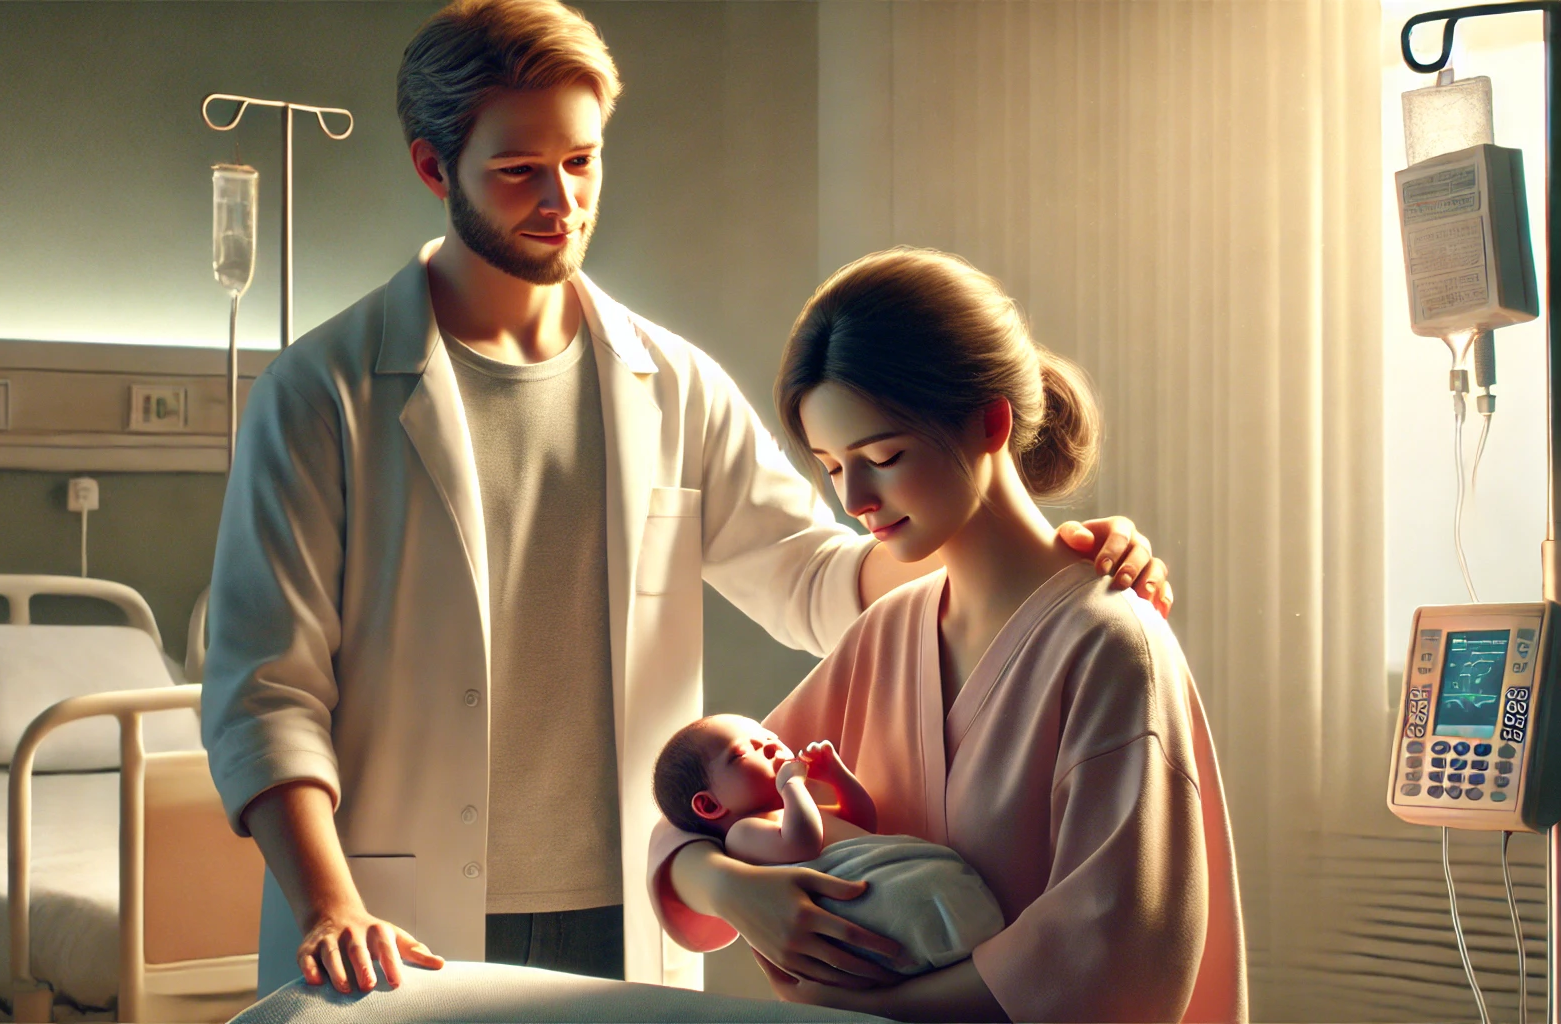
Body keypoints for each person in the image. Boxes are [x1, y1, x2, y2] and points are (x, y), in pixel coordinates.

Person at [200, 0, 1173, 1000]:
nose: (559, 200)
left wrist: (1040, 548)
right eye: (517, 170)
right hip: (391, 912)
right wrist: (327, 902)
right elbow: (266, 691)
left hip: (623, 907)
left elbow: (814, 575)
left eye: (581, 162)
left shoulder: (670, 384)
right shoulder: (321, 395)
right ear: (429, 167)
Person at [650, 248, 1245, 1022]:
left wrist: (877, 1005)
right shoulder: (893, 629)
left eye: (884, 456)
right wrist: (727, 885)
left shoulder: (1109, 645)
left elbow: (1114, 958)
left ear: (991, 421)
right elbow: (693, 809)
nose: (856, 497)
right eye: (833, 467)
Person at [653, 715, 1002, 976]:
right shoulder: (743, 835)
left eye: (769, 736)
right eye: (745, 752)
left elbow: (862, 821)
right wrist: (792, 787)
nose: (772, 746)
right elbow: (803, 844)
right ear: (710, 806)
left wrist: (836, 775)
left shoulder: (791, 812)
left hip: (901, 867)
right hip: (874, 896)